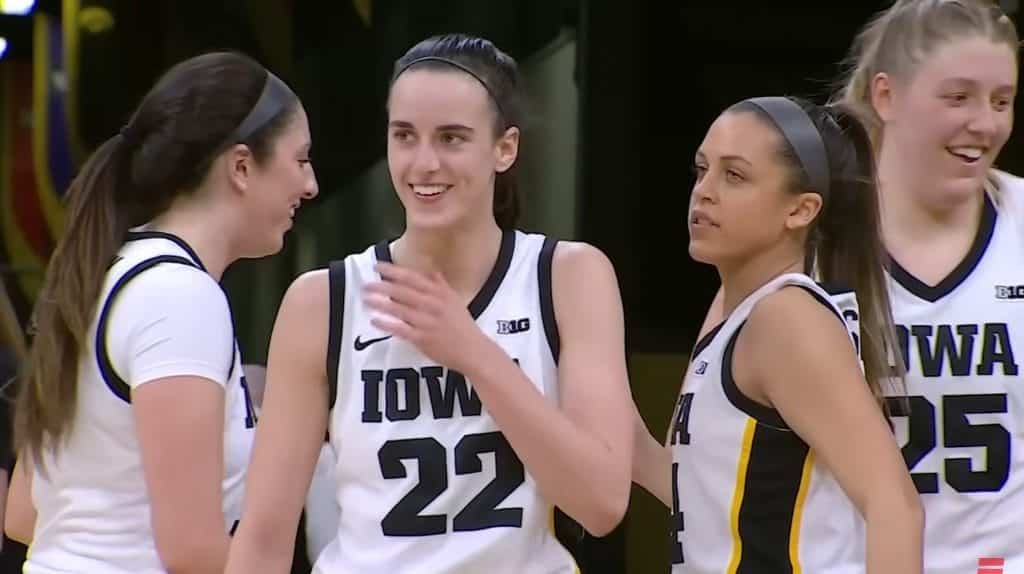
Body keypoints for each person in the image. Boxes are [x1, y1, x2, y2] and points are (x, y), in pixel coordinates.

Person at [225, 33, 633, 574]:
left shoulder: (568, 276)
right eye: (405, 136)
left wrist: (475, 354)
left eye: (452, 138)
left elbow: (602, 503)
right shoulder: (323, 300)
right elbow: (263, 539)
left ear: (504, 148)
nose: (424, 163)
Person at [4, 51, 317, 573]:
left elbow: (24, 514)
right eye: (301, 159)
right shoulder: (179, 299)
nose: (310, 185)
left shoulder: (107, 274)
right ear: (241, 167)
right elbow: (193, 552)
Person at [633, 95, 925, 572]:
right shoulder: (737, 312)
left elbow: (895, 507)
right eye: (701, 169)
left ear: (801, 209)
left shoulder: (785, 317)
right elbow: (705, 494)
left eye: (734, 175)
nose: (704, 191)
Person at [835, 0, 1023, 571]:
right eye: (958, 97)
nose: (986, 123)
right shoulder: (807, 237)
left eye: (1002, 101)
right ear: (885, 96)